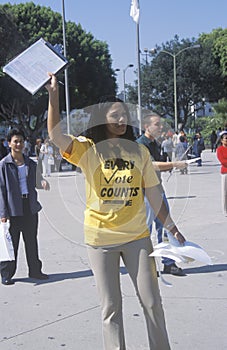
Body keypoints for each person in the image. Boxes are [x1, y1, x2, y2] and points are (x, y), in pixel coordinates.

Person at [46, 74, 186, 350]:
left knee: (152, 301)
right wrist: (53, 97)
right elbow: (55, 136)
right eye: (115, 115)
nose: (121, 120)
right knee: (111, 308)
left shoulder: (139, 153)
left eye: (124, 115)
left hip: (137, 238)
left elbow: (153, 193)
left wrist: (170, 226)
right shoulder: (88, 150)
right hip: (101, 240)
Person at [137, 112, 187, 276]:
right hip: (145, 193)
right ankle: (146, 265)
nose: (160, 127)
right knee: (146, 229)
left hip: (158, 189)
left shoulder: (156, 143)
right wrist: (173, 164)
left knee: (166, 228)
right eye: (156, 124)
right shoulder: (140, 144)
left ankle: (168, 262)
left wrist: (169, 166)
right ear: (146, 126)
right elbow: (150, 165)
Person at [0, 128, 50, 285]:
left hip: (29, 206)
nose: (19, 144)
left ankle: (35, 271)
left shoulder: (30, 163)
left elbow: (37, 181)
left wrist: (42, 183)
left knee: (31, 241)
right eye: (15, 141)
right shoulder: (3, 165)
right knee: (12, 243)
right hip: (13, 209)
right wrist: (3, 212)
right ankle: (7, 274)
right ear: (9, 144)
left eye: (21, 141)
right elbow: (1, 190)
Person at [216, 130, 227, 216]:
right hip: (225, 172)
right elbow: (223, 161)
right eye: (225, 138)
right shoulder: (219, 150)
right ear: (222, 140)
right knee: (225, 191)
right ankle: (225, 209)